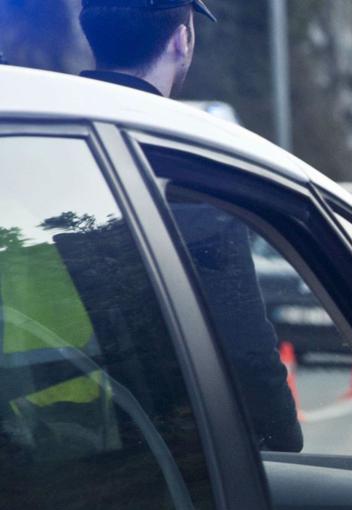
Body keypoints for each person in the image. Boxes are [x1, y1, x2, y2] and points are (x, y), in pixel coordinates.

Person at [78, 0, 303, 452]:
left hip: (42, 441)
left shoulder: (43, 133)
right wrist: (282, 440)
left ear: (91, 33)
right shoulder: (183, 171)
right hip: (146, 468)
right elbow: (245, 356)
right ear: (182, 41)